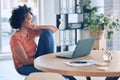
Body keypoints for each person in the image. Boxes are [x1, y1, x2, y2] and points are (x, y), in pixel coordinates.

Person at [9, 5, 76, 80]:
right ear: (21, 21)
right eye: (28, 19)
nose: (31, 21)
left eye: (31, 19)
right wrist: (44, 62)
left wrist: (37, 27)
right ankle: (52, 63)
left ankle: (51, 61)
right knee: (55, 70)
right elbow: (26, 61)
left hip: (37, 60)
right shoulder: (15, 38)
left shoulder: (31, 31)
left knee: (47, 32)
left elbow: (54, 29)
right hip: (25, 67)